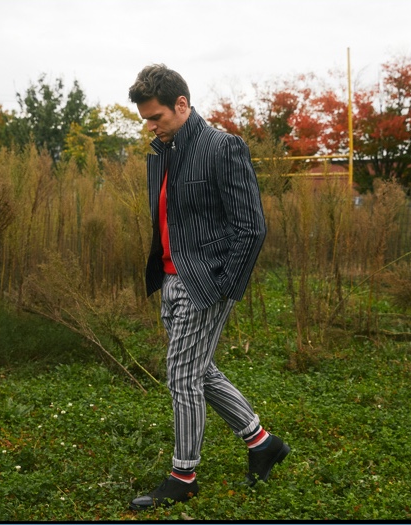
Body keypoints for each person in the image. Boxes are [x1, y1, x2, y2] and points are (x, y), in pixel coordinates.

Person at [127, 64, 290, 511]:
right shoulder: (161, 152)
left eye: (156, 116)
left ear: (182, 104)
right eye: (146, 119)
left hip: (206, 283)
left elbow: (251, 228)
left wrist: (223, 287)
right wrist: (165, 274)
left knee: (181, 374)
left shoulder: (223, 147)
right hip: (170, 278)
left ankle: (184, 475)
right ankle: (262, 443)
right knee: (198, 369)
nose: (151, 126)